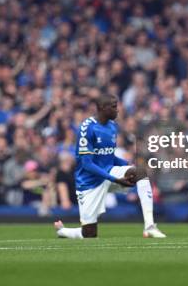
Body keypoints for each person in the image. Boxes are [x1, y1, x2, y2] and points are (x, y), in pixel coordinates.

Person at [54, 93, 166, 239]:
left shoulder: (112, 126)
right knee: (89, 234)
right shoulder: (87, 128)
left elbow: (109, 156)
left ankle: (150, 226)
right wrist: (114, 179)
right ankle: (63, 231)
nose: (117, 110)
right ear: (102, 108)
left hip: (109, 172)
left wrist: (126, 165)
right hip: (89, 182)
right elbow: (87, 164)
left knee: (140, 173)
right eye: (114, 107)